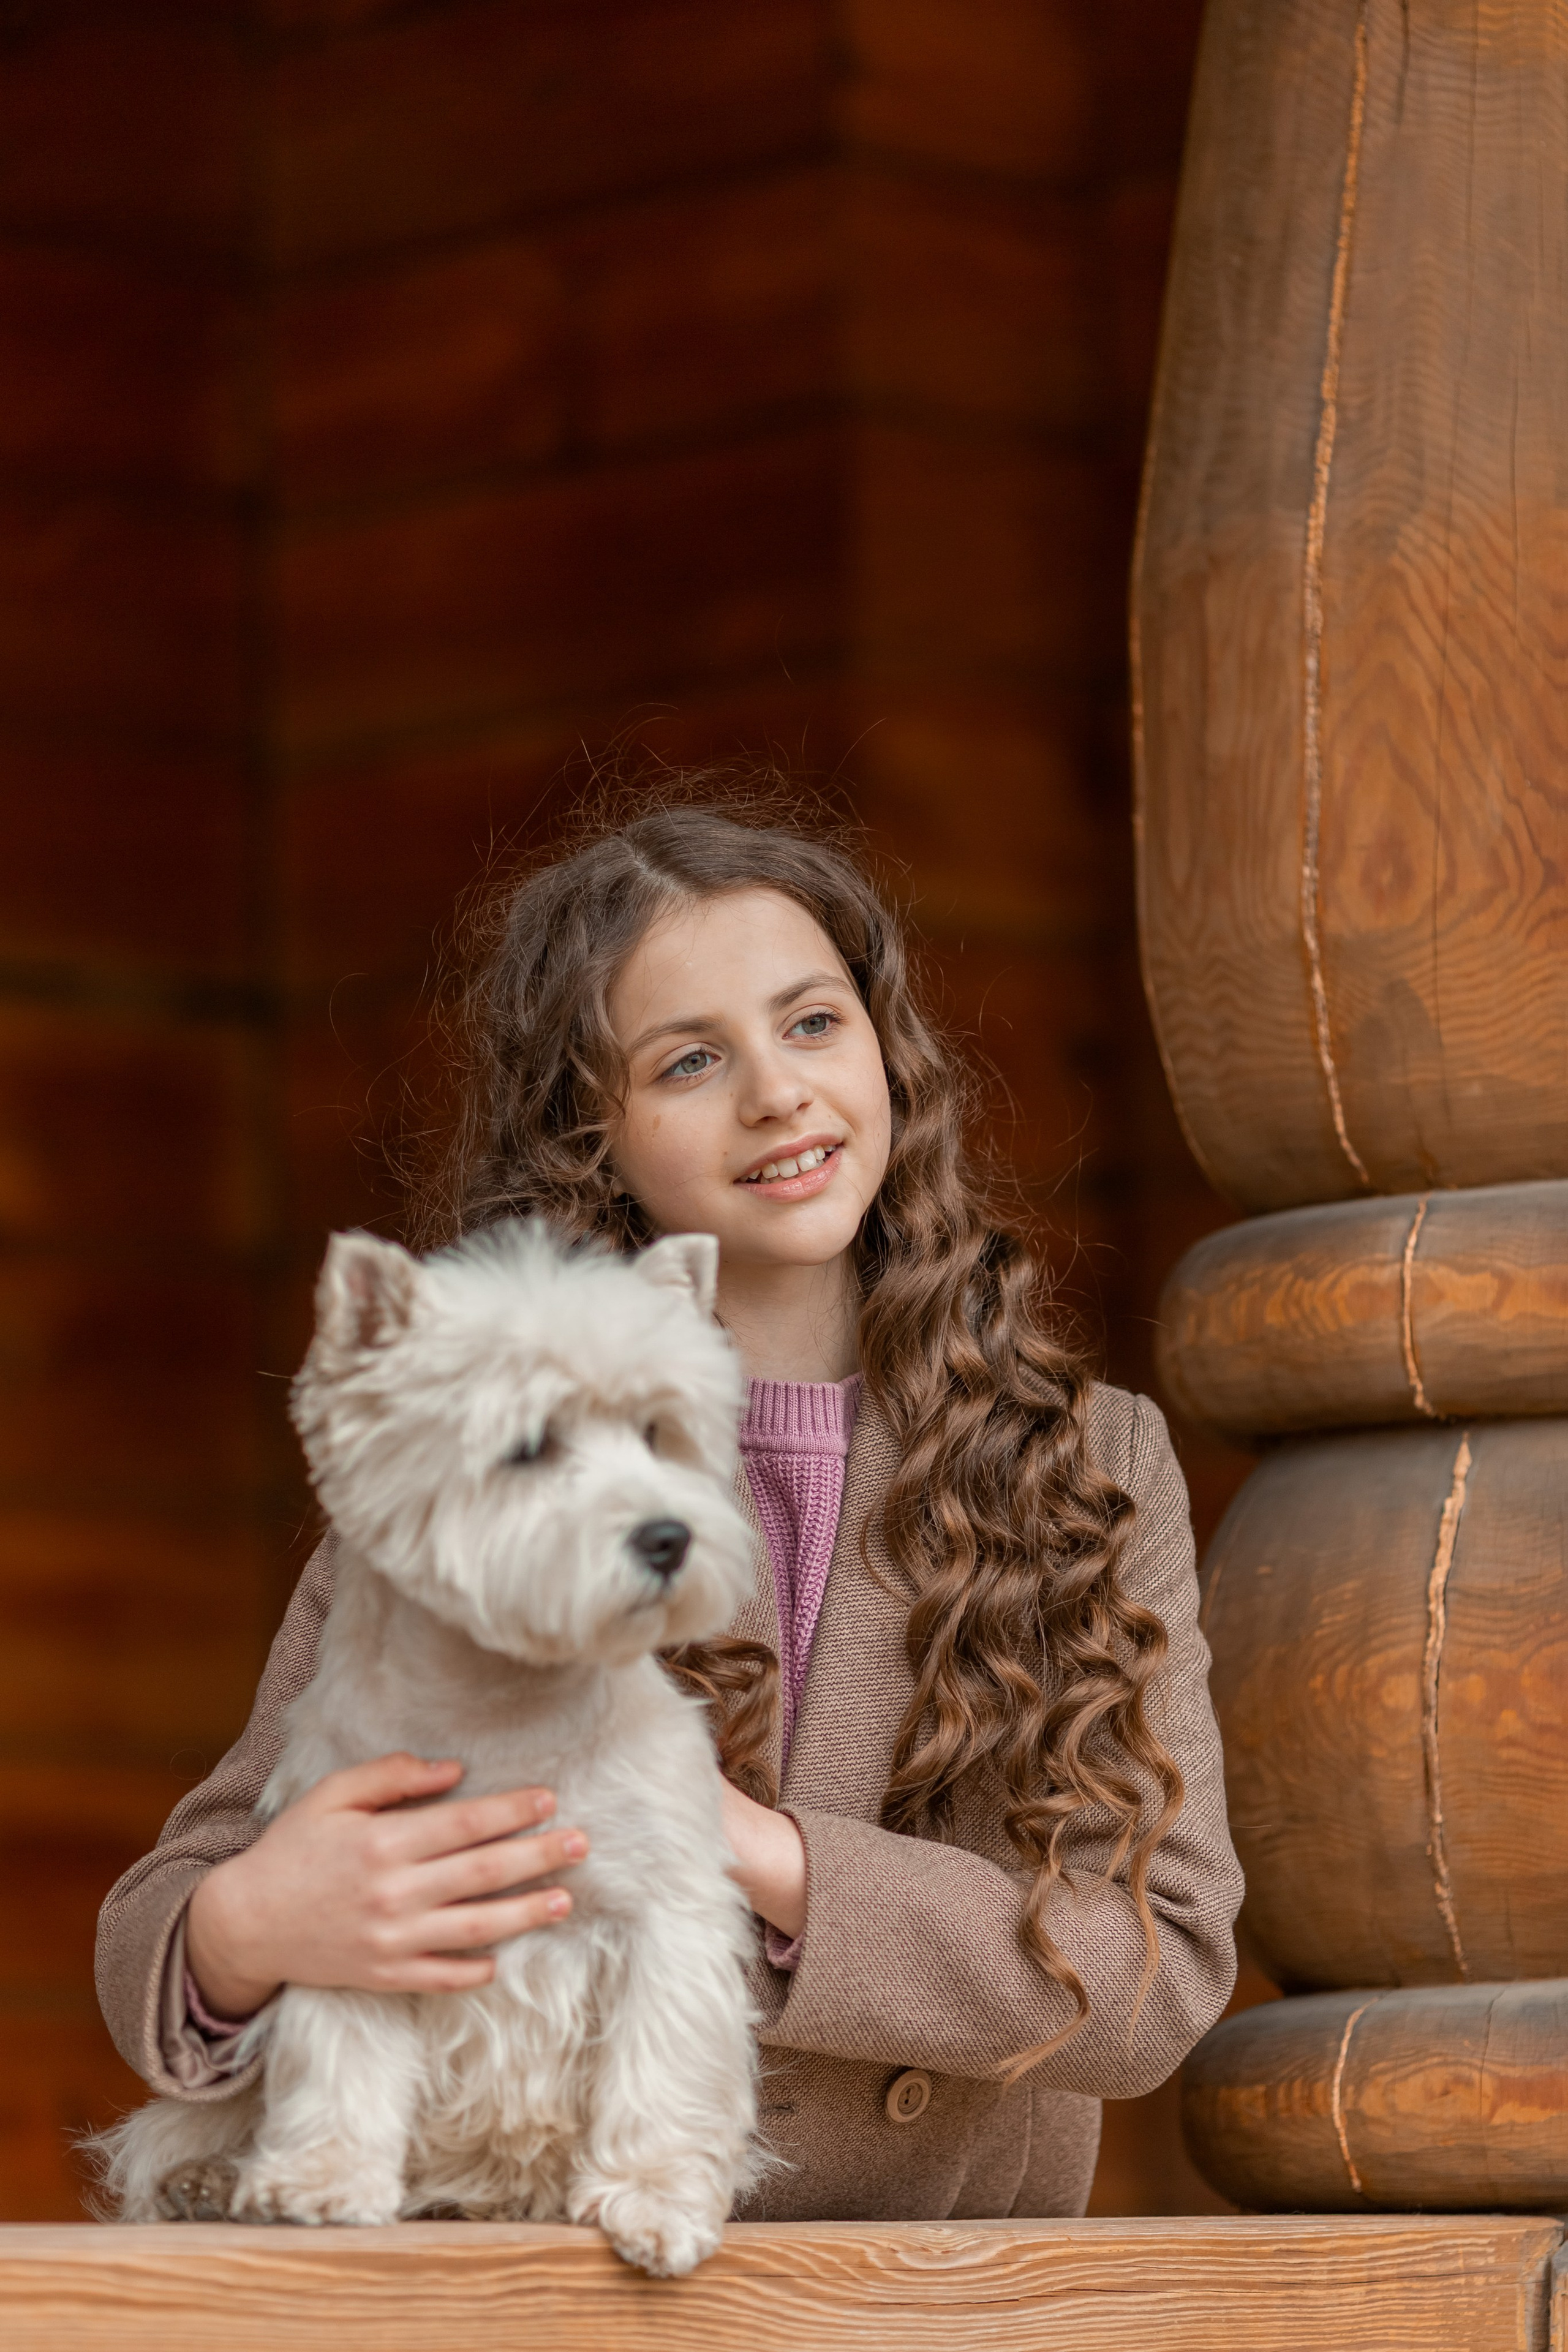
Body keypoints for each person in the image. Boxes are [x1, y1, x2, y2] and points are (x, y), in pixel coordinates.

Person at [96, 797, 1242, 2220]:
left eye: (813, 1023)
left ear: (887, 1049)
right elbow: (164, 1925)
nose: (776, 1092)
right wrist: (255, 1920)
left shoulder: (1087, 1467)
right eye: (690, 1060)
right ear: (594, 1135)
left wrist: (750, 1850)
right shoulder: (468, 1475)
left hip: (923, 2298)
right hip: (524, 2292)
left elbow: (1155, 1971)